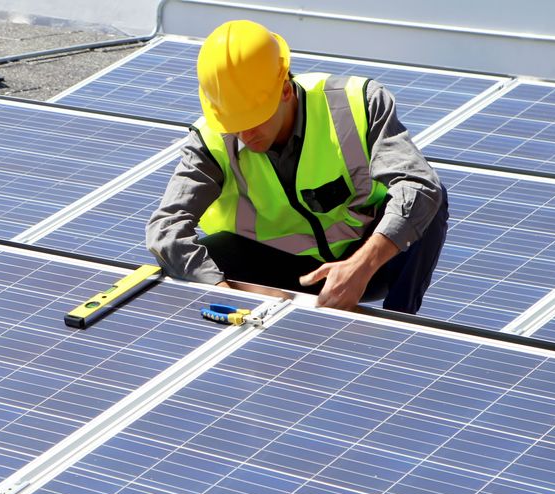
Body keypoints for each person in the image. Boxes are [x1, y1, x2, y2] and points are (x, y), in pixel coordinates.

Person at [146, 20, 448, 314]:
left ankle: (402, 324)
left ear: (286, 91)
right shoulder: (210, 141)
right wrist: (220, 289)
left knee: (429, 202)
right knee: (199, 256)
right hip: (278, 271)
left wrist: (362, 265)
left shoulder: (358, 104)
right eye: (233, 124)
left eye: (254, 120)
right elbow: (165, 228)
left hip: (367, 263)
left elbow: (419, 186)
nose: (244, 135)